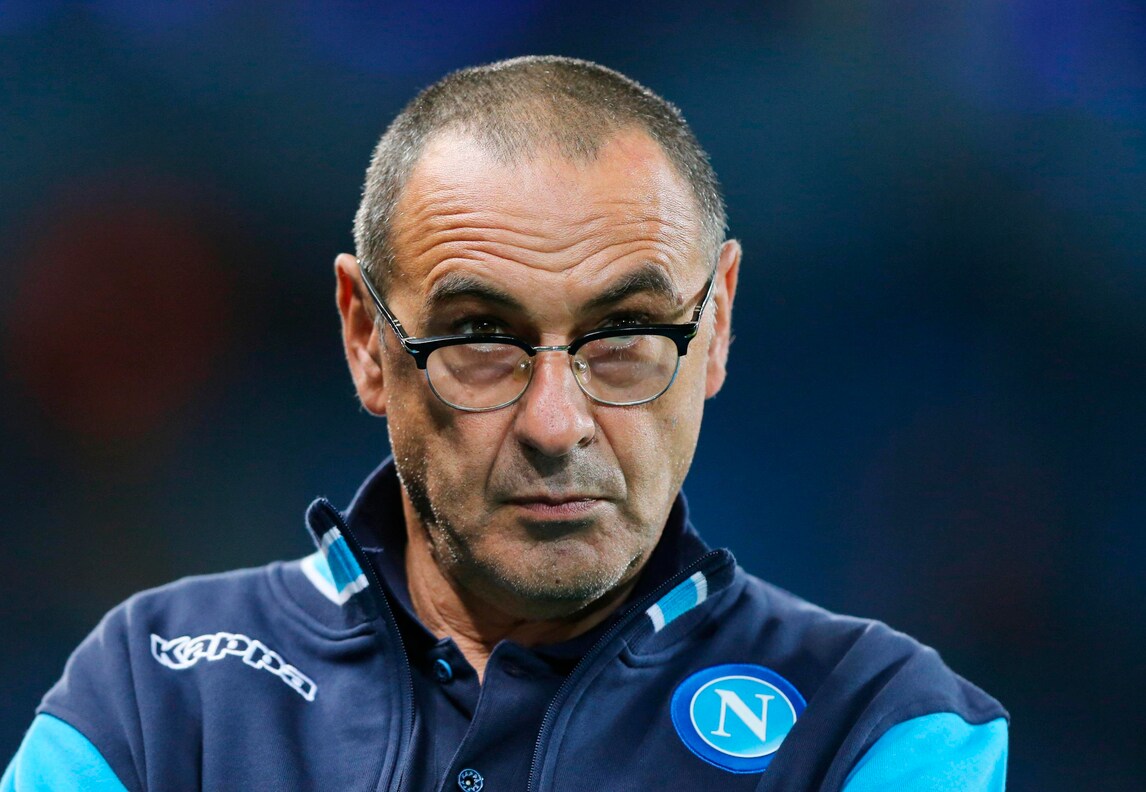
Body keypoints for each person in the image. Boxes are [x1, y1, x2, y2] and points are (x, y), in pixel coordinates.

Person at [3, 56, 1008, 791]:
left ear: (717, 325)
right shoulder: (155, 689)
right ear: (365, 338)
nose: (556, 425)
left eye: (626, 334)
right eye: (481, 337)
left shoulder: (877, 724)